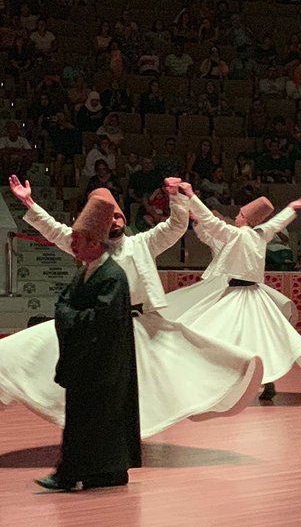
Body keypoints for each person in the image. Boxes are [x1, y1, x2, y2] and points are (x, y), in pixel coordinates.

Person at [1, 178, 264, 437]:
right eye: (108, 217)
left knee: (161, 376)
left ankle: (124, 438)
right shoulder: (89, 248)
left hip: (141, 326)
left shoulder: (142, 243)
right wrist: (29, 202)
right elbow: (56, 230)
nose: (114, 221)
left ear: (124, 219)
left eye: (118, 216)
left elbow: (174, 227)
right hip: (100, 329)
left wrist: (176, 197)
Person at [35, 194, 140, 492]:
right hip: (89, 363)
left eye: (78, 239)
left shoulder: (112, 276)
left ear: (96, 243)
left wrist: (69, 316)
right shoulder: (89, 273)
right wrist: (69, 315)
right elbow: (64, 305)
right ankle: (98, 472)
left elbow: (98, 319)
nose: (73, 244)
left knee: (95, 421)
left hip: (103, 365)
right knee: (88, 420)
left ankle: (83, 473)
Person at [174, 189, 301, 401]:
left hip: (237, 294)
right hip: (255, 294)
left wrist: (191, 196)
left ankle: (222, 380)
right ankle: (266, 382)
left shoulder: (235, 234)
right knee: (260, 338)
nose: (236, 217)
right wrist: (292, 209)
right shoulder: (261, 234)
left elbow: (209, 221)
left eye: (239, 214)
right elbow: (277, 223)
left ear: (245, 218)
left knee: (218, 333)